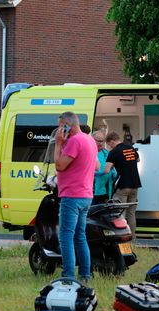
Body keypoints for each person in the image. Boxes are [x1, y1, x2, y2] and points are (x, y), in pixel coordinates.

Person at [54, 112, 98, 281]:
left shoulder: (74, 141)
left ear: (67, 125)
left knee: (65, 235)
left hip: (71, 195)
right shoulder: (89, 140)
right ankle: (85, 274)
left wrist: (58, 144)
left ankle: (68, 276)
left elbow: (59, 166)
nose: (59, 129)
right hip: (86, 195)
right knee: (80, 235)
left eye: (60, 126)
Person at [104, 131, 141, 238]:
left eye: (109, 144)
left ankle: (122, 238)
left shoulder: (114, 152)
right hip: (135, 185)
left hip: (123, 185)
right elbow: (138, 159)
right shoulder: (130, 148)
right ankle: (132, 238)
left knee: (119, 213)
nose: (110, 147)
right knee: (131, 213)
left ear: (112, 141)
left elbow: (106, 170)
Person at [92, 130, 116, 205]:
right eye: (98, 141)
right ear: (92, 140)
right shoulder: (89, 152)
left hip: (106, 191)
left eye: (103, 141)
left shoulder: (106, 153)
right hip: (93, 191)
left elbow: (113, 170)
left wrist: (114, 174)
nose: (101, 143)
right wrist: (104, 172)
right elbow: (87, 171)